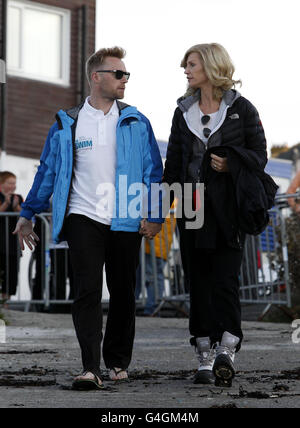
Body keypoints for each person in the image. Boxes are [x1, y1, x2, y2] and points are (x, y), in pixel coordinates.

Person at [13, 46, 163, 390]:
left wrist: (154, 215)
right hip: (83, 215)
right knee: (88, 291)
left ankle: (117, 360)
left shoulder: (137, 121)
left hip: (125, 216)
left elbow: (155, 172)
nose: (125, 80)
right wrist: (28, 212)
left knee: (124, 292)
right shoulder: (68, 121)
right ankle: (90, 366)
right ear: (97, 77)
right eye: (119, 74)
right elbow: (48, 170)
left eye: (126, 74)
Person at [163, 43, 276, 387]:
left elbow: (260, 155)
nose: (186, 70)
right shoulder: (183, 111)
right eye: (186, 65)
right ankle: (203, 353)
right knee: (197, 281)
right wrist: (158, 211)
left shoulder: (242, 108)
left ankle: (227, 348)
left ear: (211, 67)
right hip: (191, 206)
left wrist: (231, 163)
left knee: (225, 279)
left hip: (228, 207)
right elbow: (173, 163)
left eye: (191, 64)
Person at [136, 213, 176, 316]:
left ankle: (152, 308)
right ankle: (145, 306)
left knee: (152, 276)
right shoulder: (172, 203)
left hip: (154, 245)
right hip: (154, 245)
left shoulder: (165, 203)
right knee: (141, 275)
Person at [0, 171, 23, 305]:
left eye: (14, 183)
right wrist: (5, 203)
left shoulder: (18, 197)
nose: (13, 186)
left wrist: (15, 206)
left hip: (12, 242)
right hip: (1, 241)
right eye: (10, 183)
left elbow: (23, 214)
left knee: (11, 273)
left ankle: (6, 300)